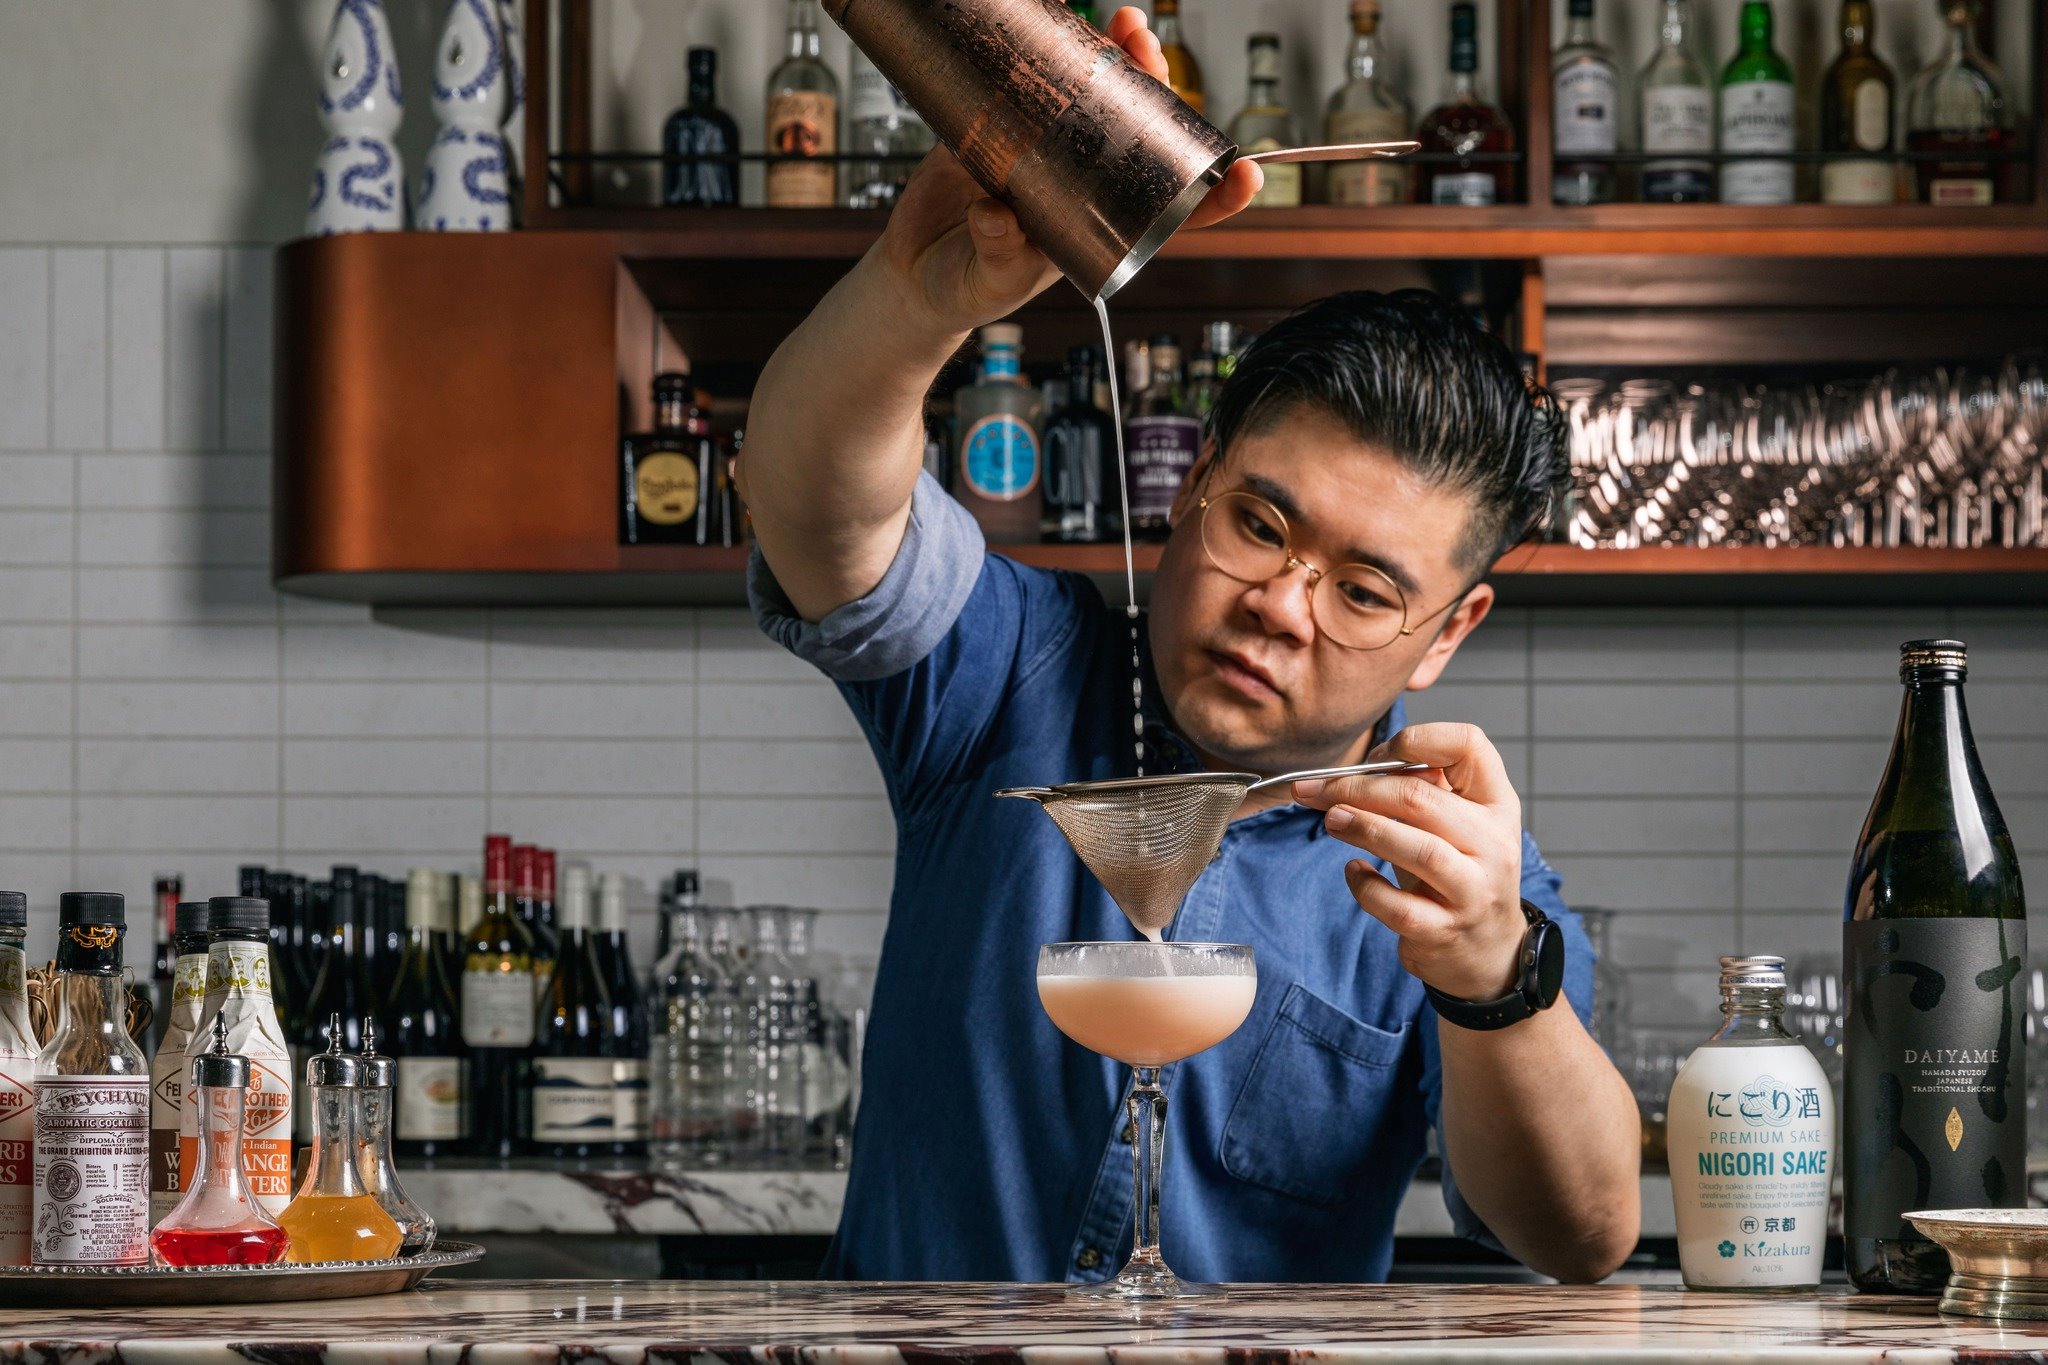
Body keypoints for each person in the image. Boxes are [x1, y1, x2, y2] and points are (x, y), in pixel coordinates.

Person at [737, 7, 1641, 1284]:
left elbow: (1578, 1235)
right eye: (1261, 524)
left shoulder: (1457, 879)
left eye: (1366, 592)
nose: (1280, 602)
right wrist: (913, 296)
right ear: (1190, 485)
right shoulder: (1007, 669)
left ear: (1446, 635)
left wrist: (1493, 976)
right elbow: (813, 504)